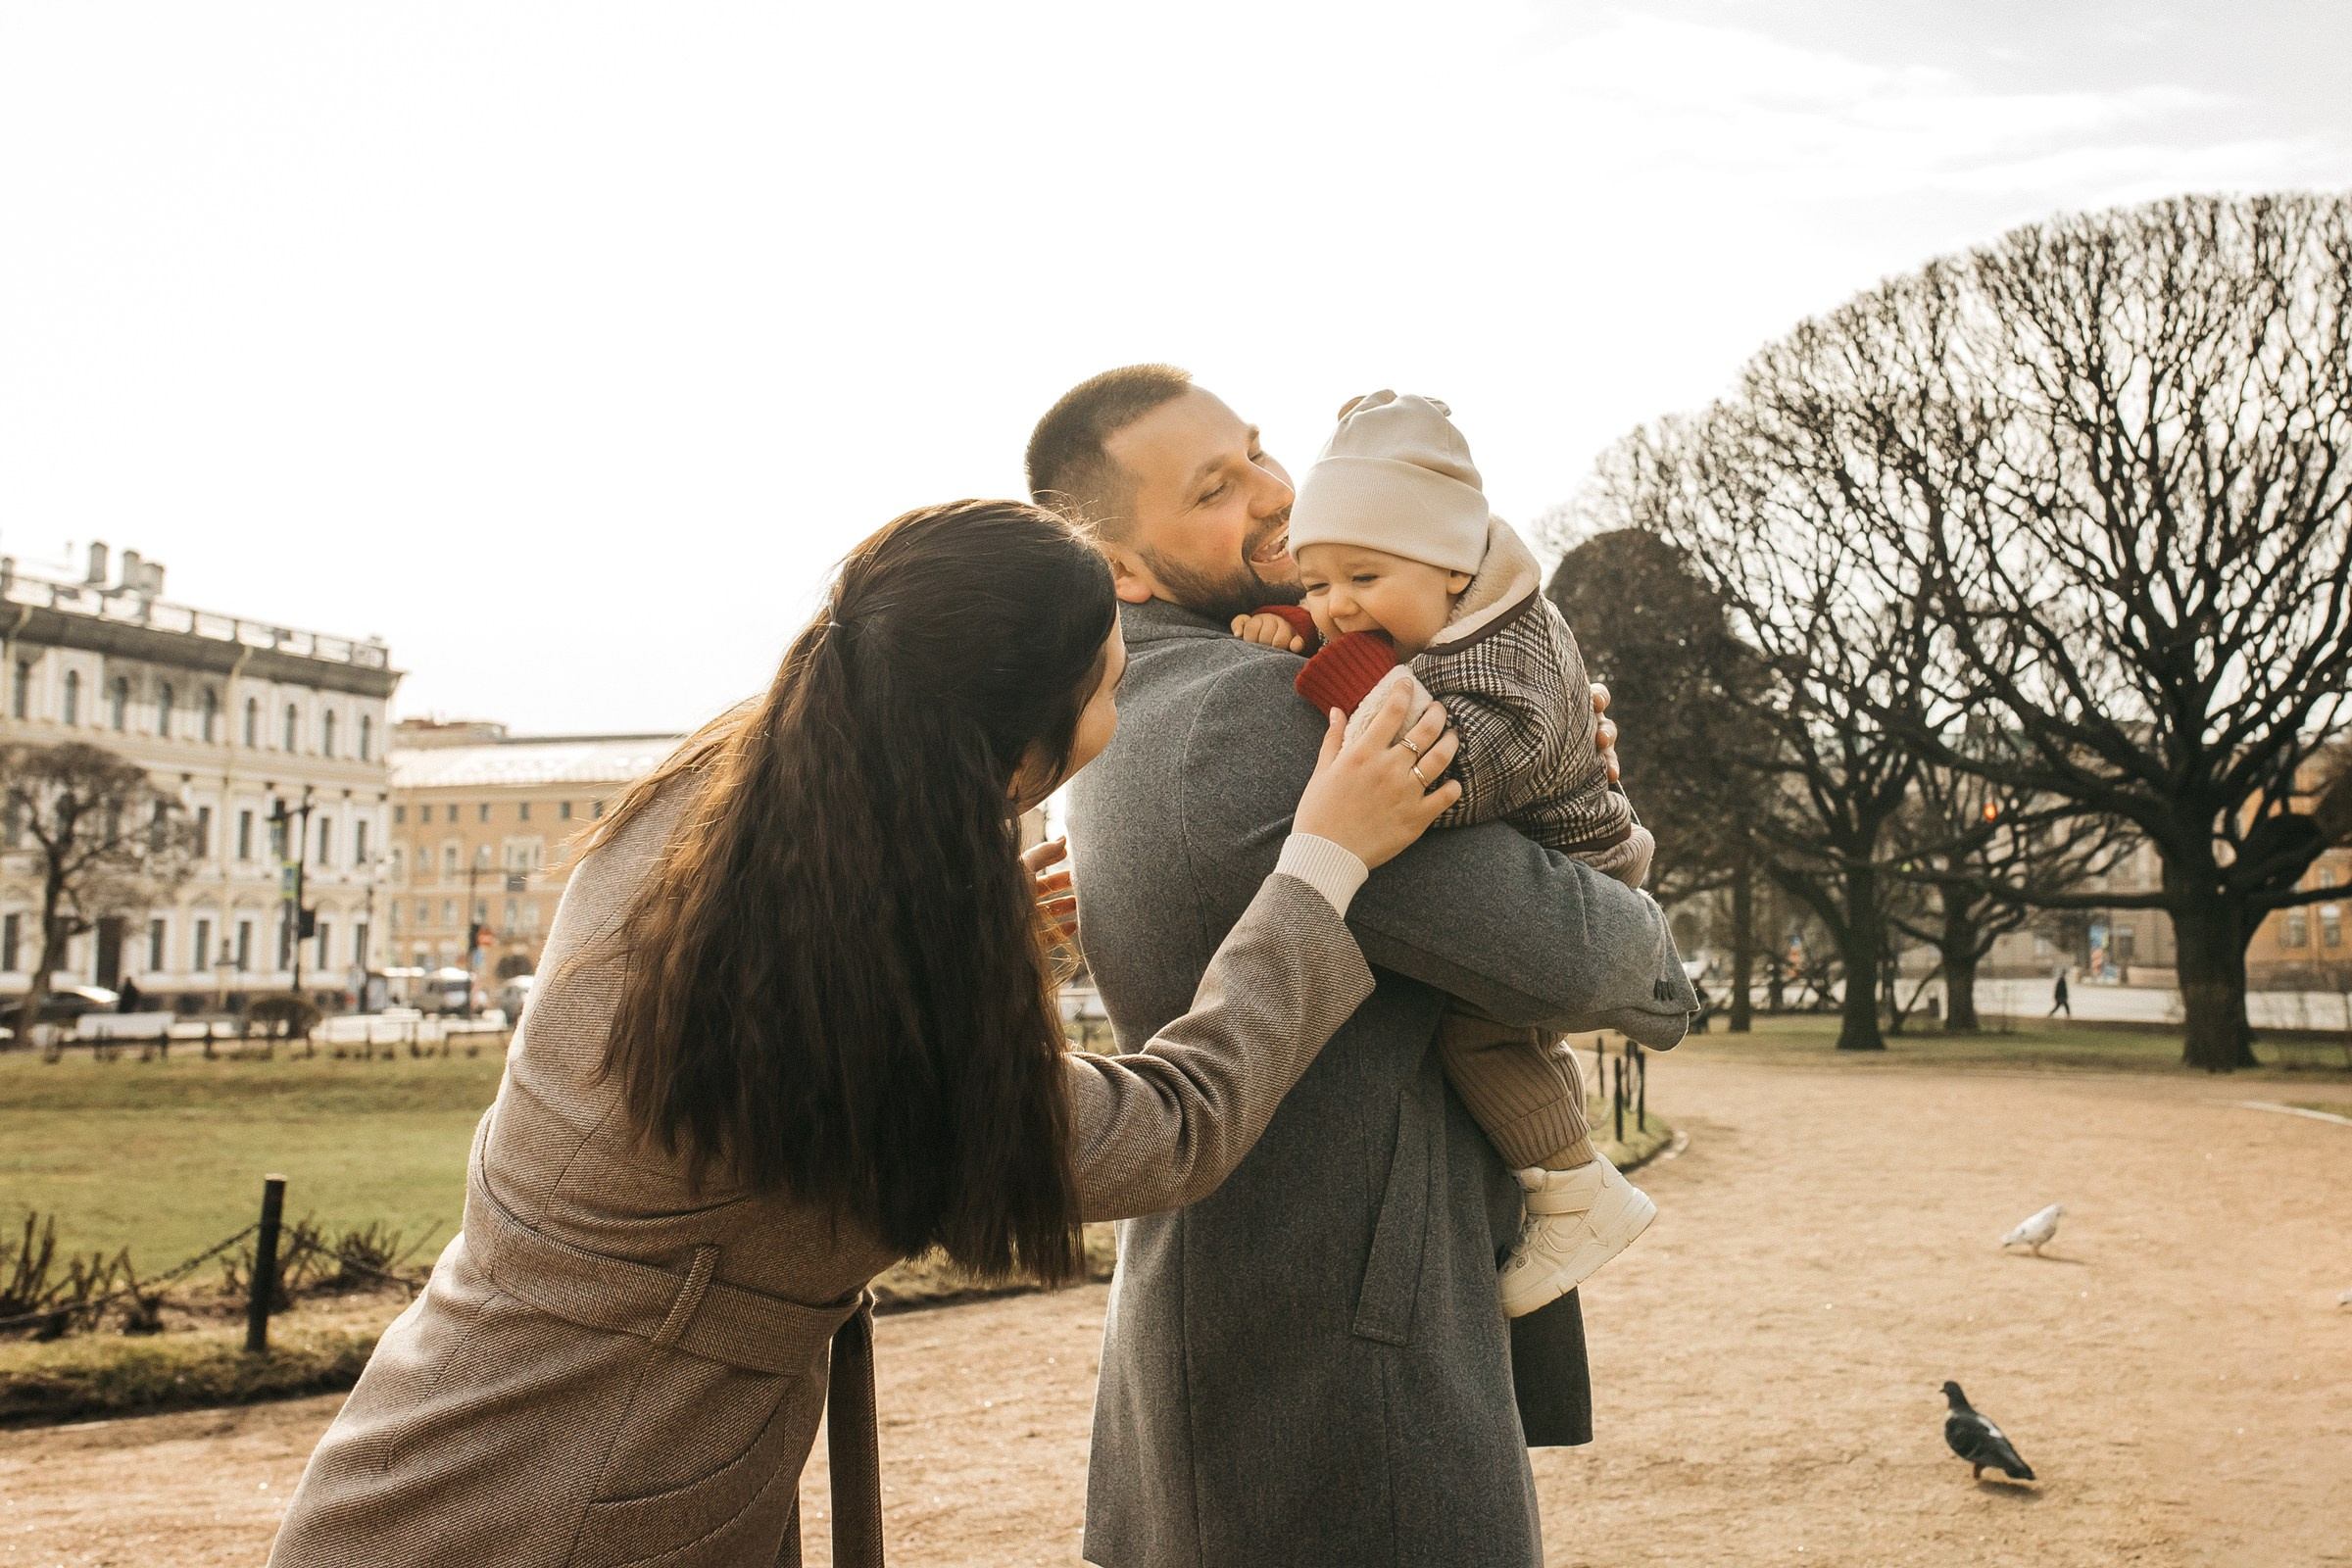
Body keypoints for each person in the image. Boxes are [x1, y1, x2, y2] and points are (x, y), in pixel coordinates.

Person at [264, 500, 1462, 1568]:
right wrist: (1326, 858)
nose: (1125, 699)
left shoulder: (738, 781)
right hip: (587, 1507)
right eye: (1107, 685)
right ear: (1015, 750)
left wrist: (982, 916)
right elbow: (1175, 1127)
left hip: (430, 1455)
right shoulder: (875, 1018)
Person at [1029, 366, 1697, 1567]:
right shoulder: (1258, 713)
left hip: (1254, 1340)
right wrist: (1633, 906)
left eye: (1257, 450)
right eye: (1215, 489)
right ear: (1118, 567)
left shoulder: (1149, 703)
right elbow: (1564, 953)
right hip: (1342, 1377)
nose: (1275, 494)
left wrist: (1541, 745)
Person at [1231, 390, 1664, 1320]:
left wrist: (1334, 674)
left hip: (1580, 861)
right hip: (1562, 835)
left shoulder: (1503, 662)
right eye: (1315, 584)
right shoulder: (1449, 611)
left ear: (1452, 566)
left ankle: (1576, 1189)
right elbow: (1383, 627)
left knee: (1485, 1032)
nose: (1336, 606)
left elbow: (1443, 776)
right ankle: (1571, 1173)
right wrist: (1298, 628)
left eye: (1360, 578)